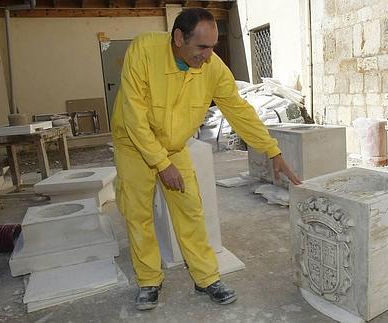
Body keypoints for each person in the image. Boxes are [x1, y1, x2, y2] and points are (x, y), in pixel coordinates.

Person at [111, 8, 301, 311]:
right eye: (202, 47)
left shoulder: (212, 68)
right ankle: (149, 280)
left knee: (191, 213)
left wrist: (272, 150)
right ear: (178, 38)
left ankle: (206, 278)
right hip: (134, 145)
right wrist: (161, 164)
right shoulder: (144, 51)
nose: (209, 55)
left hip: (174, 146)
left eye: (213, 46)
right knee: (138, 214)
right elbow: (134, 115)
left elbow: (238, 109)